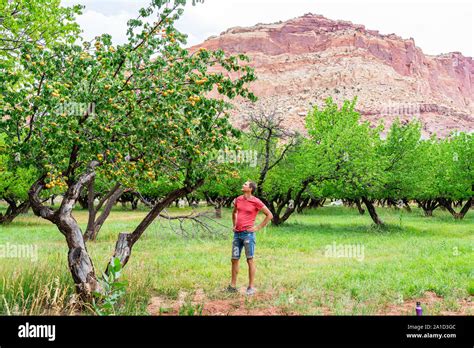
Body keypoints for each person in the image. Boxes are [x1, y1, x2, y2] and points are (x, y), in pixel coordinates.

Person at [227, 180, 273, 296]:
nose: (243, 185)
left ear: (251, 189)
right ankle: (232, 286)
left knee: (249, 259)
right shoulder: (238, 199)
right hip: (237, 235)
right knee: (234, 259)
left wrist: (257, 227)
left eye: (245, 184)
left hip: (248, 235)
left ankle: (251, 287)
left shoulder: (256, 201)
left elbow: (269, 215)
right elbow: (234, 213)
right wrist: (234, 225)